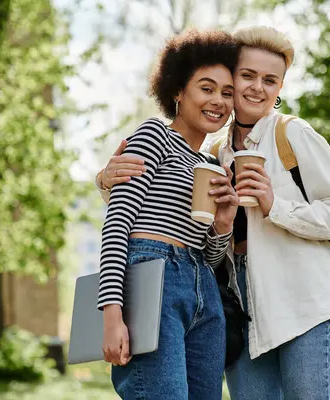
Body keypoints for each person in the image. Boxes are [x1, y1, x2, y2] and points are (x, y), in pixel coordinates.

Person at [97, 26, 330, 400]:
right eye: (246, 76)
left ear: (280, 88)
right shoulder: (206, 151)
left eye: (270, 80)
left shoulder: (287, 135)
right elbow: (128, 218)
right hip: (231, 308)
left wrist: (256, 213)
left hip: (293, 305)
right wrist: (105, 179)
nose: (255, 88)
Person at [97, 29, 240, 400]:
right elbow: (117, 227)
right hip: (151, 277)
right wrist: (111, 315)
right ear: (178, 91)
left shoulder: (211, 165)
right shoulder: (153, 135)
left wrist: (223, 225)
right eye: (206, 88)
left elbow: (207, 255)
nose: (218, 101)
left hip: (203, 289)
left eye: (227, 93)